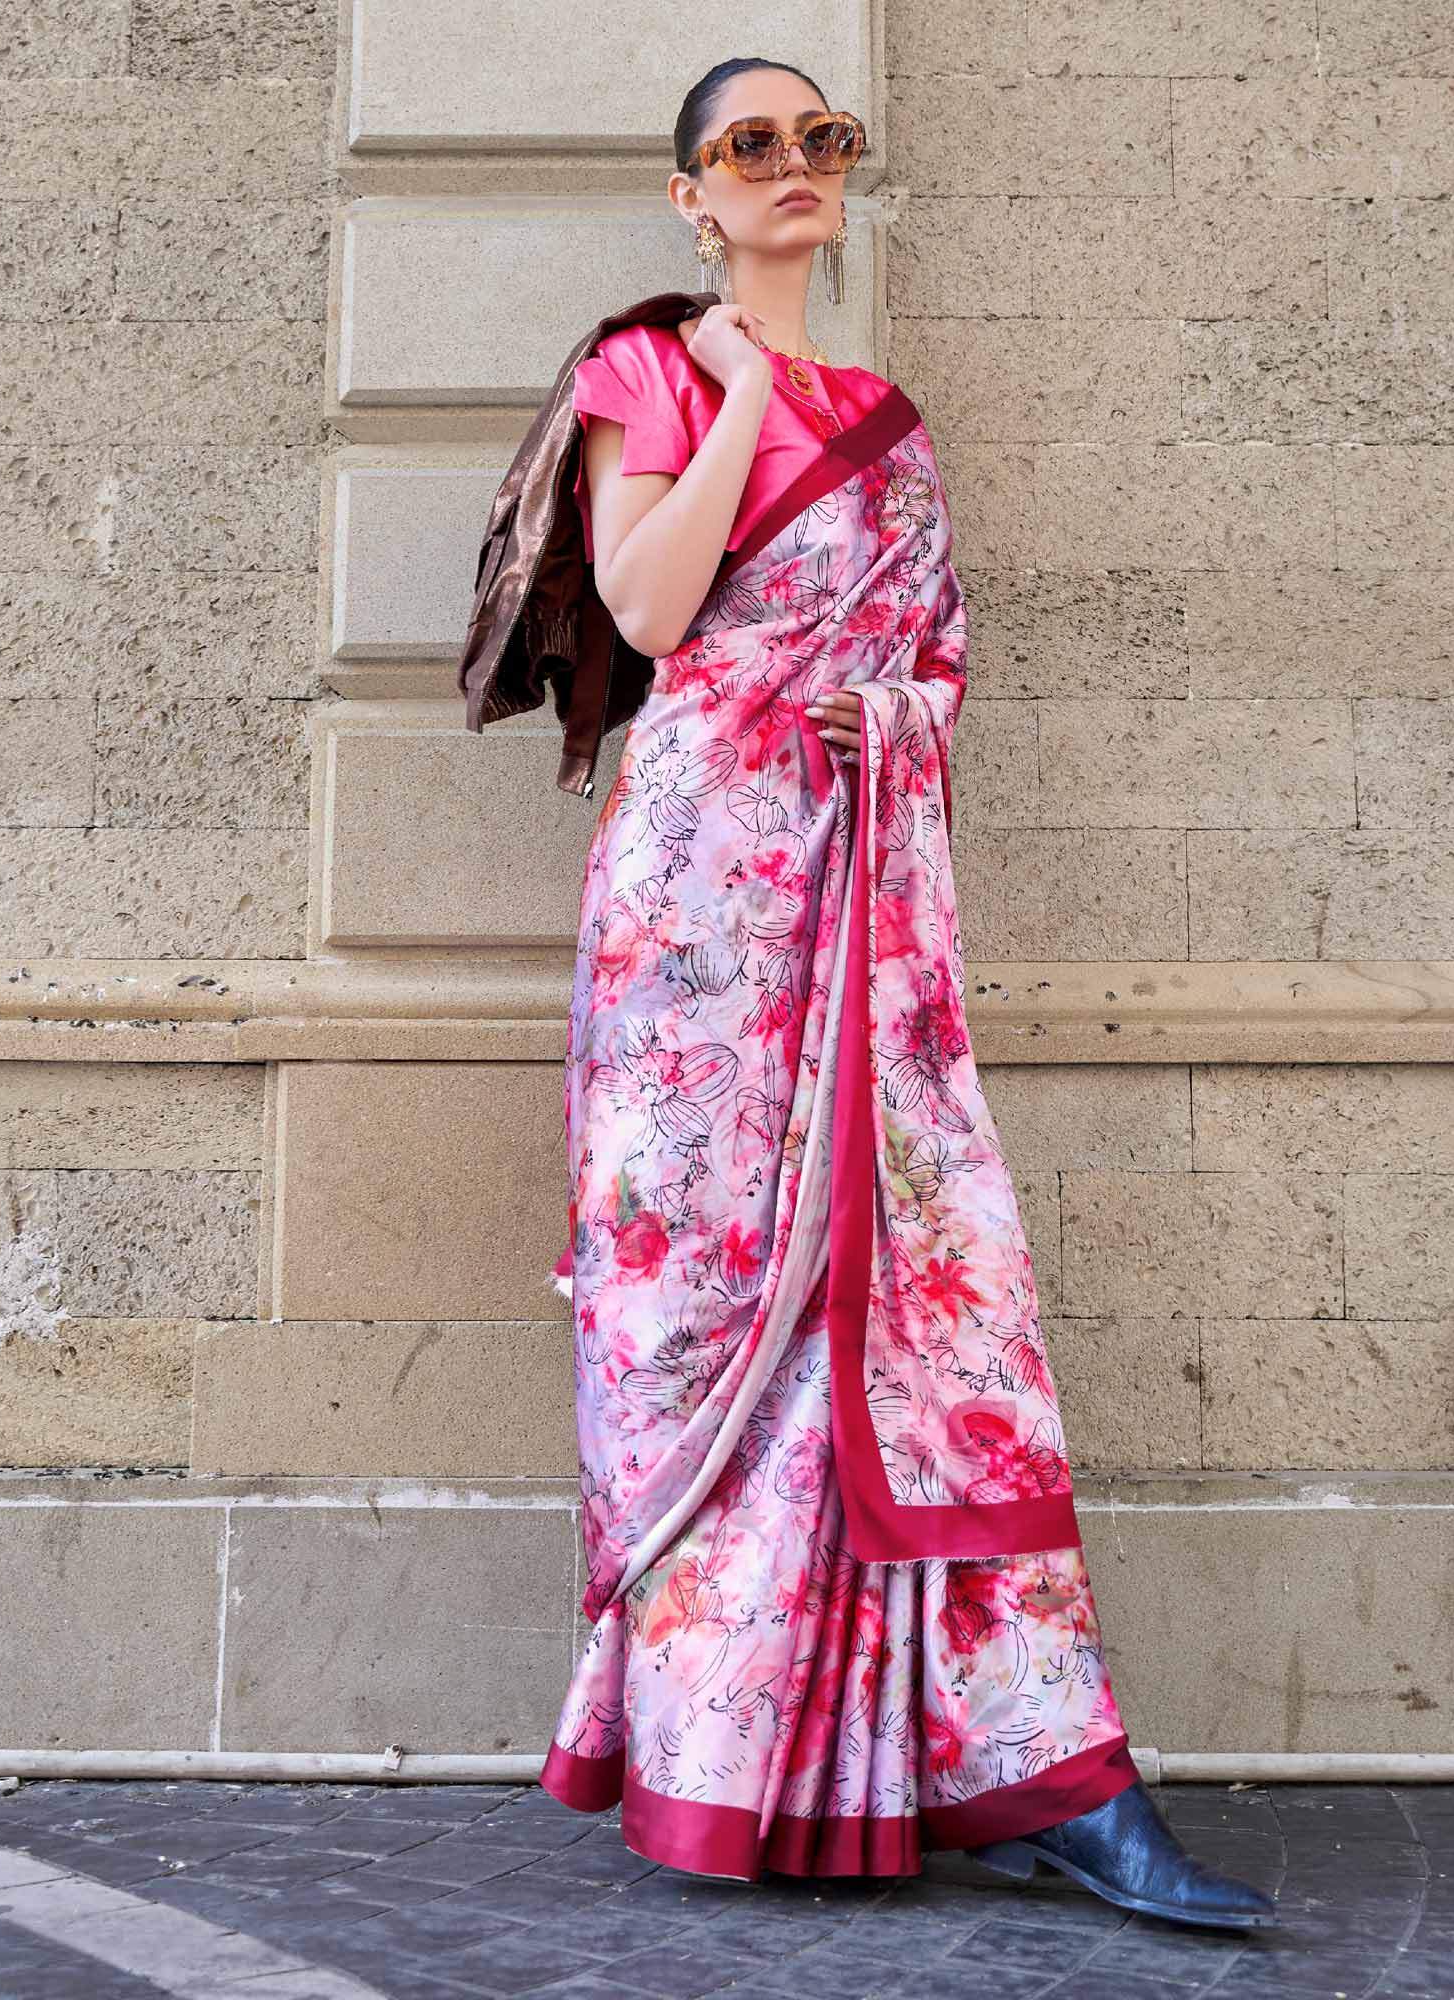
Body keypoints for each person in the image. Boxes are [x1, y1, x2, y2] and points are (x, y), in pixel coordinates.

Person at [533, 53, 1275, 1933]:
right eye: (753, 146)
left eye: (822, 140)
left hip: (862, 891)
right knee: (697, 1286)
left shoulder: (897, 419)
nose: (797, 166)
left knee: (927, 1289)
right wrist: (743, 399)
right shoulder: (646, 372)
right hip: (701, 900)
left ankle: (1047, 1771)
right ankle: (727, 1755)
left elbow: (938, 653)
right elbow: (644, 609)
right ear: (692, 192)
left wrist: (903, 714)